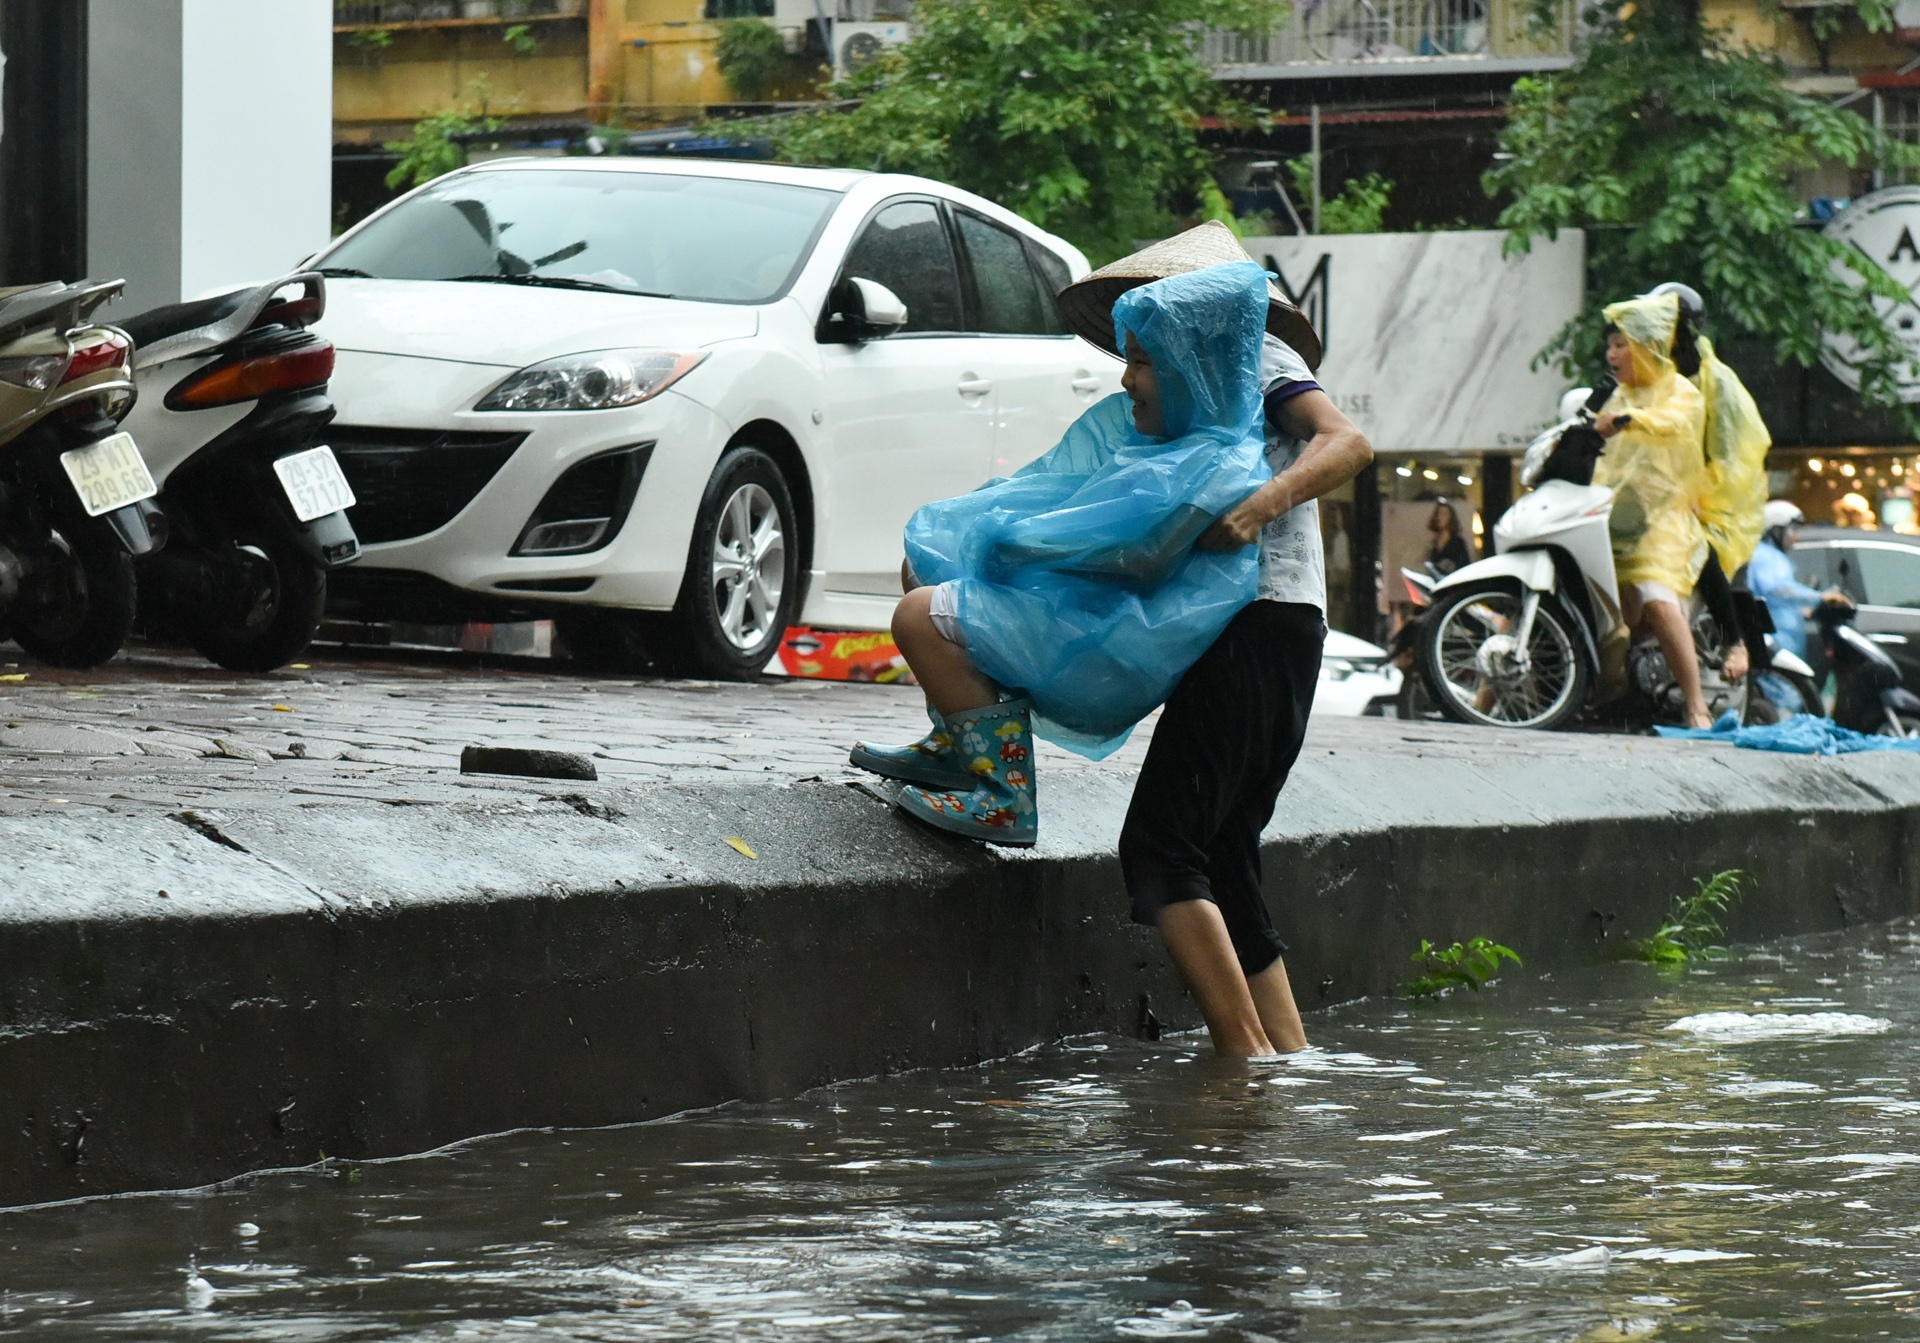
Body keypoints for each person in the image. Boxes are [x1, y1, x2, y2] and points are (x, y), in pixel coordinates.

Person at [854, 222, 1372, 1058]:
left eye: (1141, 356)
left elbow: (1347, 440)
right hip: (1268, 630)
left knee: (1160, 849)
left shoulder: (1254, 357)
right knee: (1226, 854)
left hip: (1262, 622)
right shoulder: (1194, 393)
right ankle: (1290, 1067)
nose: (1131, 374)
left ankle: (1242, 1070)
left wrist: (1253, 512)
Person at [1591, 292, 1713, 727]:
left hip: (1664, 522)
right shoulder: (1618, 395)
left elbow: (1675, 425)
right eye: (1610, 345)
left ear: (1647, 346)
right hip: (1611, 517)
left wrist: (1631, 421)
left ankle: (1697, 705)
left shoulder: (1679, 391)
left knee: (1657, 601)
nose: (1613, 354)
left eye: (1622, 344)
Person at [1646, 281, 1769, 683]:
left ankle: (1734, 639)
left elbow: (1733, 455)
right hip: (1655, 494)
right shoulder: (1649, 370)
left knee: (1698, 550)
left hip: (1710, 504)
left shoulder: (1717, 383)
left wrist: (1696, 490)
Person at [1748, 500, 1825, 663]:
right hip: (1776, 643)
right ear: (1776, 530)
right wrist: (1820, 597)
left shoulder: (1769, 555)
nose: (1795, 537)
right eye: (1793, 530)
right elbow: (1779, 590)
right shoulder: (1768, 556)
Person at [1424, 500, 1471, 575]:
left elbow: (1465, 568)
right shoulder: (1432, 545)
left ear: (1451, 518)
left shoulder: (1458, 543)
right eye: (1438, 514)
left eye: (1444, 514)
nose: (1440, 517)